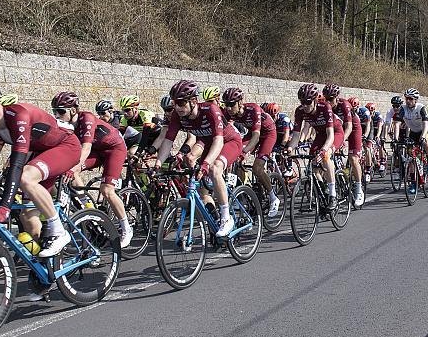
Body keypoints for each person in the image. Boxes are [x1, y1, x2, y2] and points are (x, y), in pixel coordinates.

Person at [0, 79, 80, 257]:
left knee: (26, 177)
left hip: (65, 147)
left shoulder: (18, 116)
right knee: (28, 215)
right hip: (40, 153)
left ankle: (59, 231)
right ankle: (45, 267)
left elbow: (17, 164)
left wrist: (4, 208)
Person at [154, 80, 243, 237]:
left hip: (229, 141)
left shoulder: (211, 110)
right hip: (208, 143)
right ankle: (214, 220)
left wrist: (206, 164)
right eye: (174, 103)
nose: (177, 107)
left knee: (214, 168)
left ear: (193, 101)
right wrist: (158, 164)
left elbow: (219, 140)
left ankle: (226, 217)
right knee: (202, 190)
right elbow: (168, 141)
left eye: (181, 103)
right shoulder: (177, 115)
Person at [51, 92, 133, 248]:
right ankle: (86, 205)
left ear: (73, 111)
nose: (57, 115)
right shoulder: (64, 126)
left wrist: (74, 166)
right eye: (54, 111)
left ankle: (126, 228)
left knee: (107, 190)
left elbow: (86, 147)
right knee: (70, 169)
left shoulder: (86, 118)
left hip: (114, 149)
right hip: (98, 151)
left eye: (60, 111)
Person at [222, 87, 280, 217]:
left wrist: (244, 152)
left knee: (257, 168)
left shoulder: (253, 109)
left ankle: (273, 197)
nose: (229, 108)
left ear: (240, 102)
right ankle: (241, 193)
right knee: (233, 158)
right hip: (251, 134)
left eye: (232, 104)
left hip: (268, 134)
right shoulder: (228, 112)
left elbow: (256, 137)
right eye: (226, 105)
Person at [287, 84, 344, 213]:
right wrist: (290, 148)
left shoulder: (325, 107)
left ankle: (333, 195)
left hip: (335, 132)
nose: (305, 105)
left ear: (315, 101)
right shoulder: (300, 111)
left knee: (325, 156)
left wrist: (324, 150)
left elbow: (330, 136)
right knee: (314, 167)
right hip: (320, 135)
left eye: (308, 102)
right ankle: (323, 191)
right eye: (302, 102)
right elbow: (296, 135)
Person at [323, 85, 364, 207]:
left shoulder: (344, 105)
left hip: (353, 128)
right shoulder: (325, 107)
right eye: (326, 99)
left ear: (337, 97)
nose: (328, 102)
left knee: (353, 158)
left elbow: (349, 127)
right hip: (337, 130)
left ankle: (358, 188)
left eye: (331, 99)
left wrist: (340, 142)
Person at [397, 88, 428, 193]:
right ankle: (414, 182)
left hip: (425, 128)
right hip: (413, 131)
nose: (408, 100)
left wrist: (423, 135)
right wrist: (396, 138)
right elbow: (396, 123)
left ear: (415, 100)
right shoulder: (403, 108)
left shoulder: (421, 108)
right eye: (406, 98)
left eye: (410, 98)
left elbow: (426, 123)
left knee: (425, 141)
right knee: (411, 156)